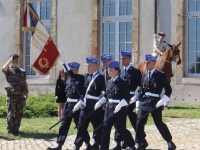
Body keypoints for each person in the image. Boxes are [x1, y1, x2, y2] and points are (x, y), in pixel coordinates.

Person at [130, 54, 176, 150]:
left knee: (159, 123)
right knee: (139, 122)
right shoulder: (144, 75)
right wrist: (136, 97)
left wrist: (163, 100)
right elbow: (141, 90)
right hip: (144, 102)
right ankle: (139, 142)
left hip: (155, 102)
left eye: (148, 63)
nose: (146, 64)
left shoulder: (160, 75)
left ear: (154, 64)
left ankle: (169, 141)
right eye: (145, 62)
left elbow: (168, 89)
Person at [47, 62, 90, 150]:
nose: (70, 72)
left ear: (77, 70)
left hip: (77, 106)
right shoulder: (68, 80)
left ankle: (86, 143)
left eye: (73, 70)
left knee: (80, 125)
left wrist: (65, 65)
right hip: (68, 105)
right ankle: (59, 144)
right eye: (70, 70)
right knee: (64, 125)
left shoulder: (81, 78)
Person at [99, 61, 136, 150]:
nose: (109, 72)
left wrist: (119, 106)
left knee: (121, 129)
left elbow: (126, 97)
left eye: (111, 70)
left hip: (120, 110)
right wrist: (100, 102)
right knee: (105, 128)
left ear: (117, 71)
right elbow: (107, 96)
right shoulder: (108, 82)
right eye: (108, 70)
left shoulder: (123, 82)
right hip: (109, 109)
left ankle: (131, 144)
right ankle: (104, 148)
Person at [112, 50, 144, 150]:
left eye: (124, 58)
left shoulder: (135, 72)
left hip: (131, 100)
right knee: (119, 120)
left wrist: (136, 97)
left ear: (129, 59)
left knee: (133, 120)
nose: (122, 60)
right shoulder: (120, 72)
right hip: (121, 100)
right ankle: (119, 141)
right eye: (121, 58)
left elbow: (142, 86)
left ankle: (141, 140)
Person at [73, 57, 106, 150]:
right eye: (87, 65)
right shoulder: (86, 76)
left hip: (95, 105)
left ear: (95, 67)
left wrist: (100, 102)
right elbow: (84, 91)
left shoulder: (100, 77)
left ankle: (98, 144)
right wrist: (81, 101)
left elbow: (104, 91)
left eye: (89, 66)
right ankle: (79, 144)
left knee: (97, 126)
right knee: (81, 124)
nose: (87, 67)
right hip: (85, 104)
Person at [2, 54, 28, 136]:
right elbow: (3, 68)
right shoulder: (9, 71)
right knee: (11, 113)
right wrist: (10, 60)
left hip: (21, 94)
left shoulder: (21, 71)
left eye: (16, 60)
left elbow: (24, 82)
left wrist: (27, 92)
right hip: (12, 95)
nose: (15, 61)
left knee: (19, 112)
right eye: (14, 60)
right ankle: (10, 131)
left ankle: (16, 130)